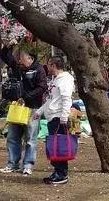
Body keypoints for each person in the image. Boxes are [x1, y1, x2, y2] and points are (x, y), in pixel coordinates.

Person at [0, 39, 47, 176]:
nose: (20, 60)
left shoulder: (39, 70)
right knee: (13, 136)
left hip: (32, 107)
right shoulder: (18, 68)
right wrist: (10, 45)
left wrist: (26, 97)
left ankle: (27, 165)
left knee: (30, 138)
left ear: (31, 58)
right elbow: (4, 55)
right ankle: (12, 164)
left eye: (23, 57)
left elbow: (42, 87)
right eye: (19, 57)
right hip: (17, 107)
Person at [34, 56, 75, 185]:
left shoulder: (65, 80)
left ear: (54, 65)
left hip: (59, 118)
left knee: (60, 146)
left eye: (49, 64)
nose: (47, 67)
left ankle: (62, 174)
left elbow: (66, 98)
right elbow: (51, 100)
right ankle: (57, 171)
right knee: (54, 146)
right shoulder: (55, 80)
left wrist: (64, 116)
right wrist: (40, 111)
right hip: (52, 117)